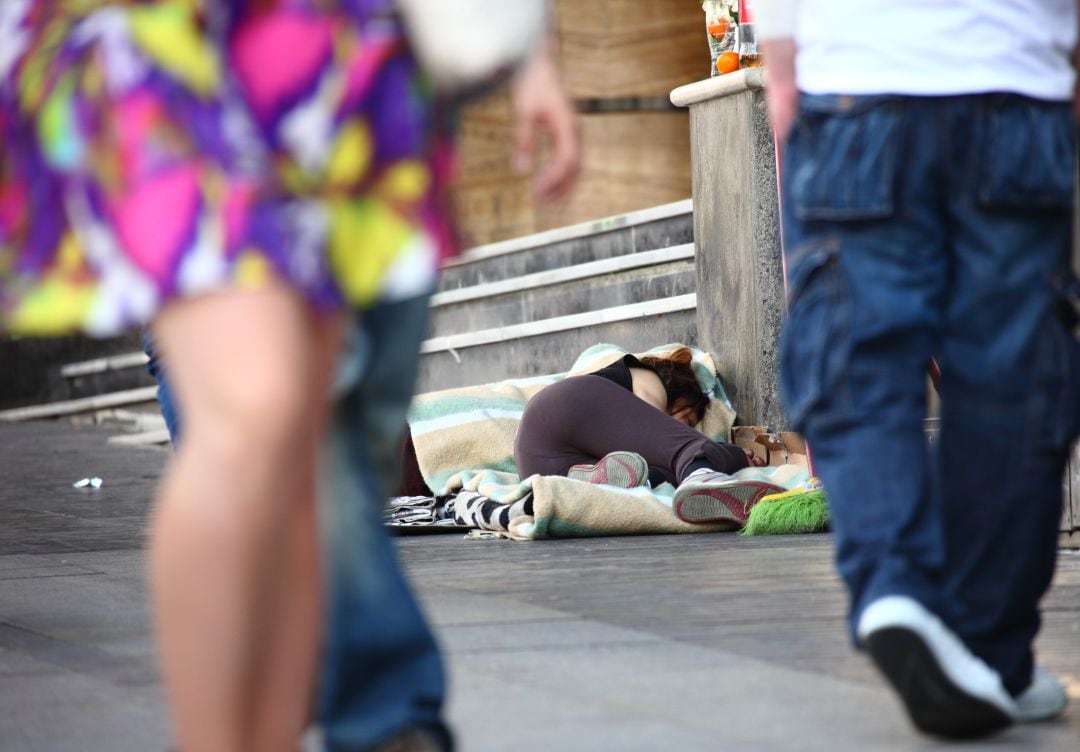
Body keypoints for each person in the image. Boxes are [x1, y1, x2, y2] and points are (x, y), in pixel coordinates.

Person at [0, 3, 579, 751]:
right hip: (171, 40)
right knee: (260, 406)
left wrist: (529, 54)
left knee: (307, 455)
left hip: (349, 59)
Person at [757, 0, 1080, 739]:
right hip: (1014, 80)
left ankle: (893, 585)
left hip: (855, 80)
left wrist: (785, 71)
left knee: (859, 361)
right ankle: (987, 647)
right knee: (1010, 377)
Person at [513, 347, 780, 526]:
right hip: (563, 407)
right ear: (681, 397)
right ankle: (702, 476)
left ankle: (598, 480)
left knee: (653, 475)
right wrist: (733, 455)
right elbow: (666, 438)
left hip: (543, 468)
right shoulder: (647, 378)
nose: (685, 427)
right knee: (688, 451)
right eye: (687, 420)